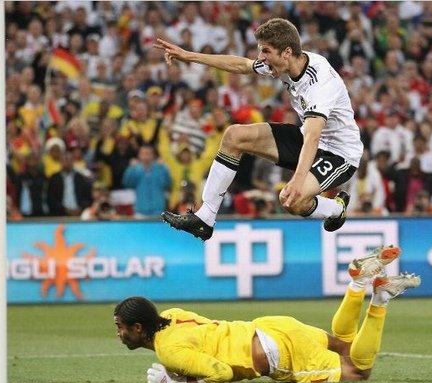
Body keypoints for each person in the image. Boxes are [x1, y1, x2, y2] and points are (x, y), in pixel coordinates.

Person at [155, 18, 363, 241]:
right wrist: (189, 56)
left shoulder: (320, 83)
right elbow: (242, 65)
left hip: (339, 154)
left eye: (265, 51)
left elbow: (313, 136)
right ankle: (205, 218)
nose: (261, 57)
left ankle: (335, 209)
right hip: (308, 139)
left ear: (286, 52)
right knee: (235, 136)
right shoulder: (285, 62)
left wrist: (297, 178)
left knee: (292, 200)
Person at [114, 245, 421, 383]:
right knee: (343, 344)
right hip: (270, 325)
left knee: (358, 371)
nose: (119, 333)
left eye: (121, 327)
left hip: (274, 354)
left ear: (138, 328)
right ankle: (357, 283)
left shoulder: (168, 351)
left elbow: (220, 372)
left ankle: (379, 299)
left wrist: (177, 381)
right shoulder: (172, 314)